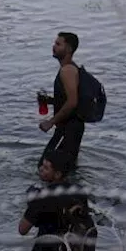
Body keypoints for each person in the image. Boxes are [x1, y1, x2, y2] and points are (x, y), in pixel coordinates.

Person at [39, 32, 85, 171]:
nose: (54, 47)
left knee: (46, 167)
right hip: (70, 128)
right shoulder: (69, 69)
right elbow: (69, 99)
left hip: (68, 129)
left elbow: (72, 102)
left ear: (69, 49)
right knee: (65, 169)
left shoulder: (67, 71)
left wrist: (50, 122)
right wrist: (49, 101)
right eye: (54, 43)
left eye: (58, 44)